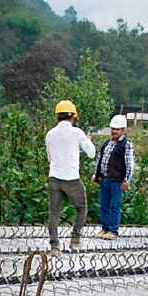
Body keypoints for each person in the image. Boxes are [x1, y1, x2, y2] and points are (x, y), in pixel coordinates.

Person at [44, 100, 95, 256]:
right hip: (72, 179)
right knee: (81, 208)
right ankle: (75, 241)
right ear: (73, 116)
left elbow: (49, 157)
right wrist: (89, 140)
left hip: (54, 178)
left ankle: (54, 247)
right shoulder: (78, 133)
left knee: (54, 213)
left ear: (57, 116)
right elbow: (91, 153)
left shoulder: (50, 134)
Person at [93, 115, 135, 239]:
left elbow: (130, 163)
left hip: (117, 180)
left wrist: (127, 180)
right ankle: (105, 228)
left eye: (117, 129)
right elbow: (100, 159)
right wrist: (96, 174)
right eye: (113, 129)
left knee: (114, 205)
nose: (114, 131)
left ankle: (113, 230)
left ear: (123, 130)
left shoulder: (126, 145)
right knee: (103, 204)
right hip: (105, 179)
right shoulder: (107, 143)